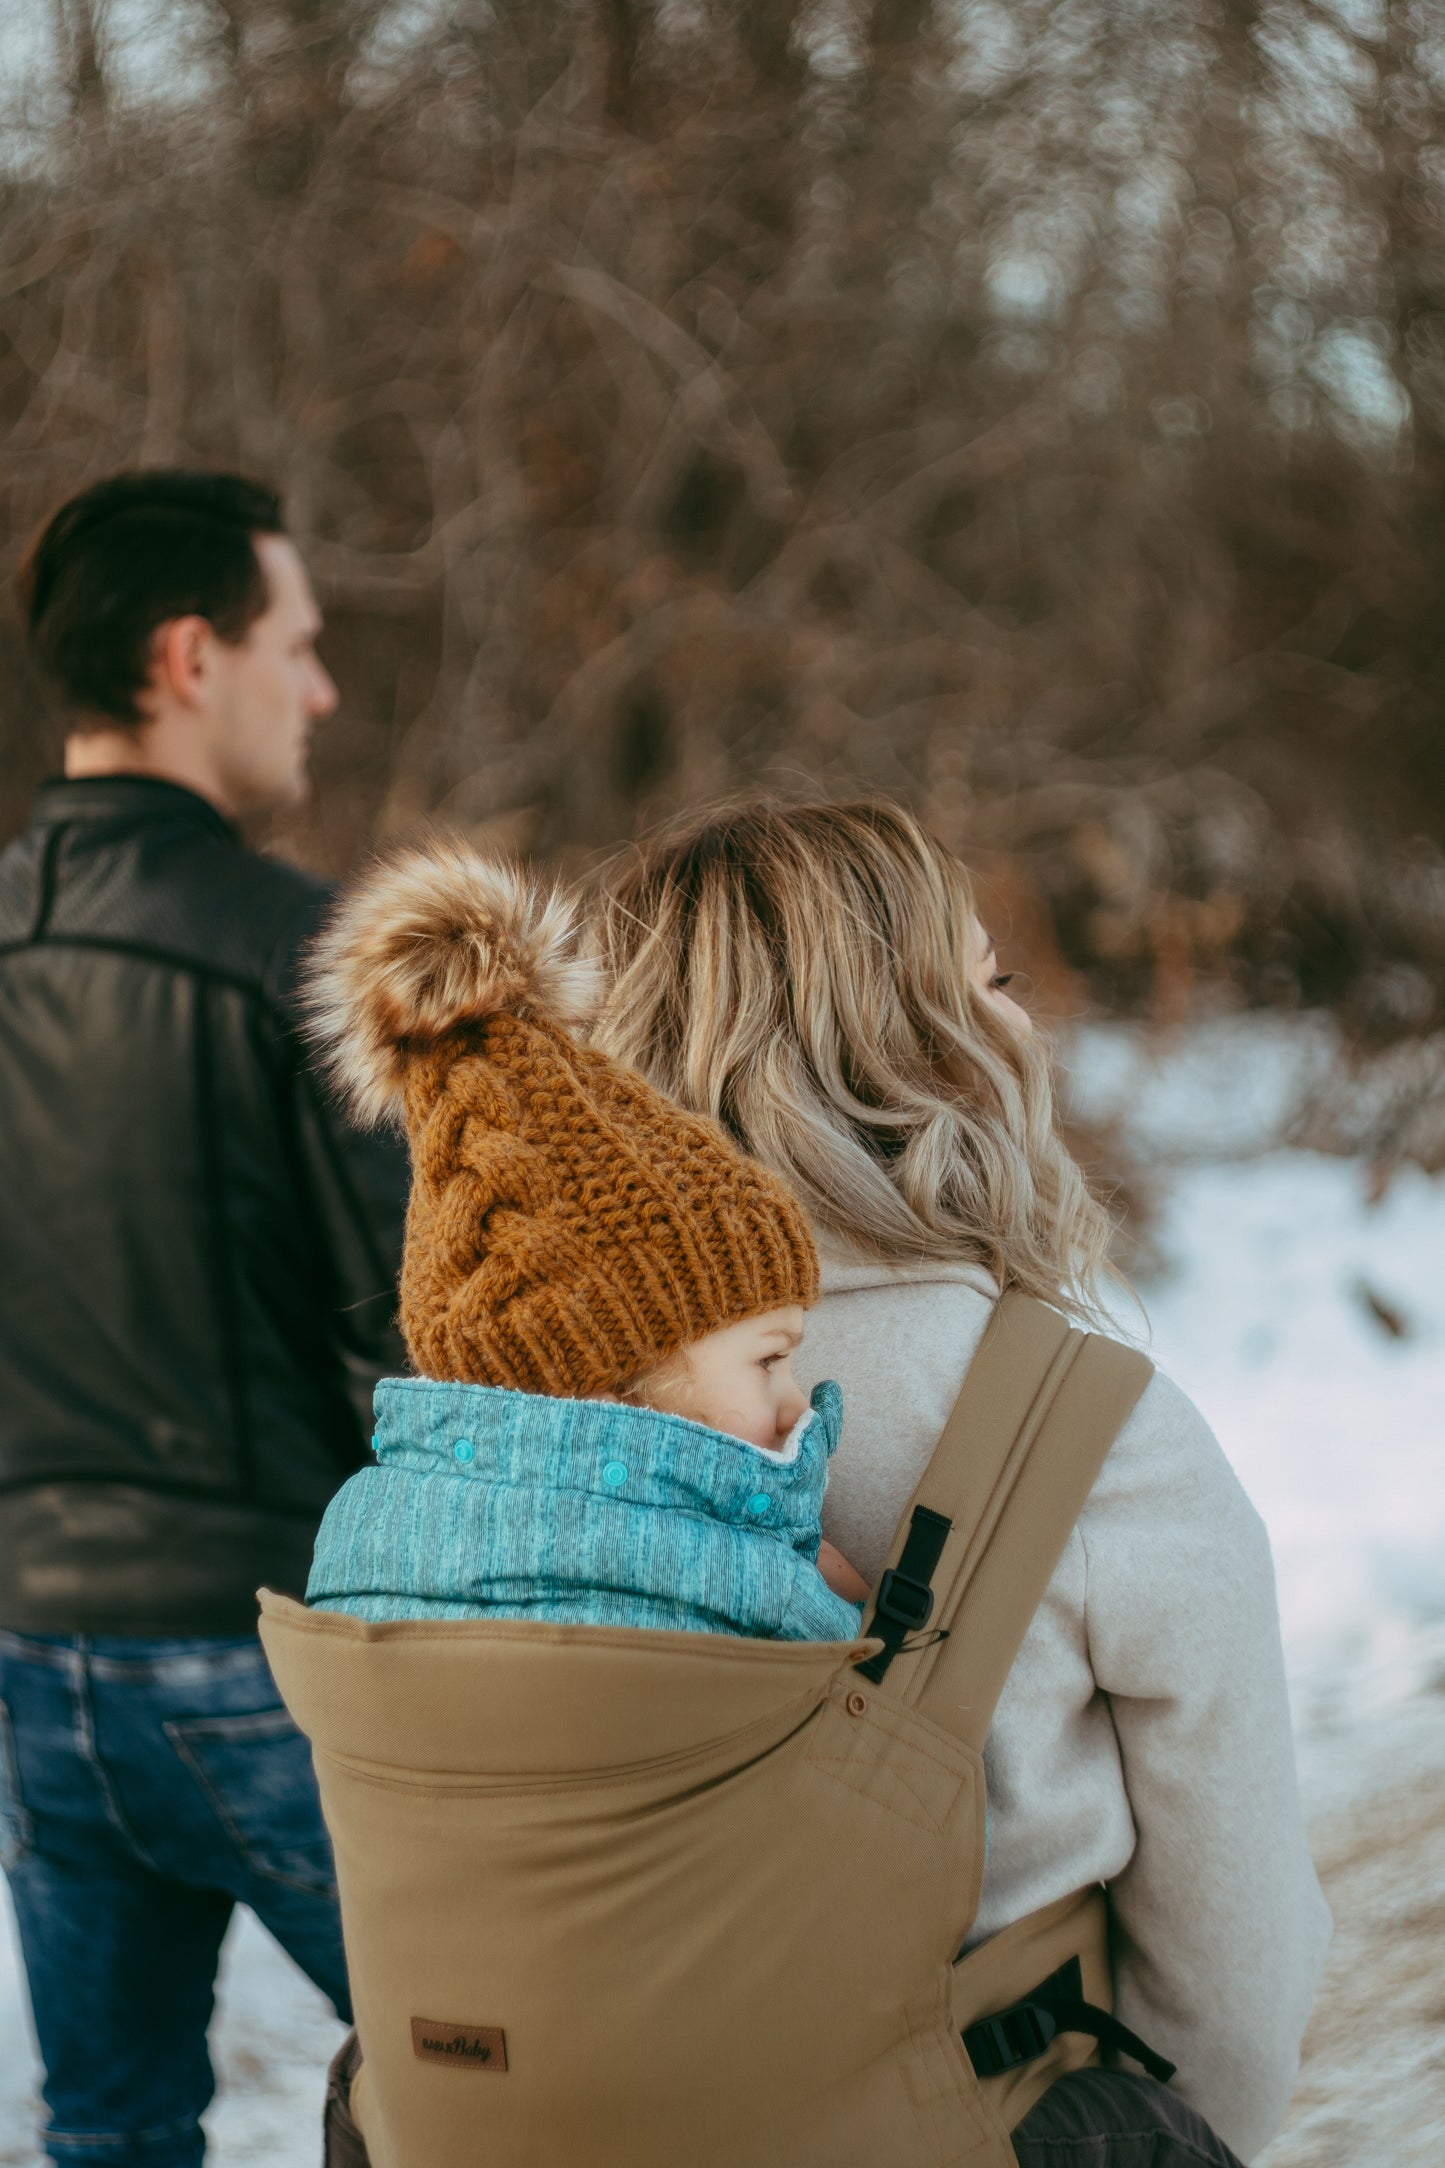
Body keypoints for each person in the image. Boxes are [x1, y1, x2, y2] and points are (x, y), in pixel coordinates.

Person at [590, 798, 1332, 2167]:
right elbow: (1239, 1980)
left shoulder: (536, 1418)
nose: (1023, 1022)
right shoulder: (1094, 1431)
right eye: (989, 980)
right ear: (917, 1045)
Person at [0, 470, 408, 2168]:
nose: (317, 689)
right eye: (294, 644)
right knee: (510, 2082)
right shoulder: (303, 952)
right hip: (262, 1660)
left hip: (33, 1667)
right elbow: (428, 1327)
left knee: (107, 2129)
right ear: (190, 656)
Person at [297, 841, 867, 1637]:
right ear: (612, 1378)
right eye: (768, 1358)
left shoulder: (360, 1543)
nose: (796, 1403)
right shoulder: (741, 1595)